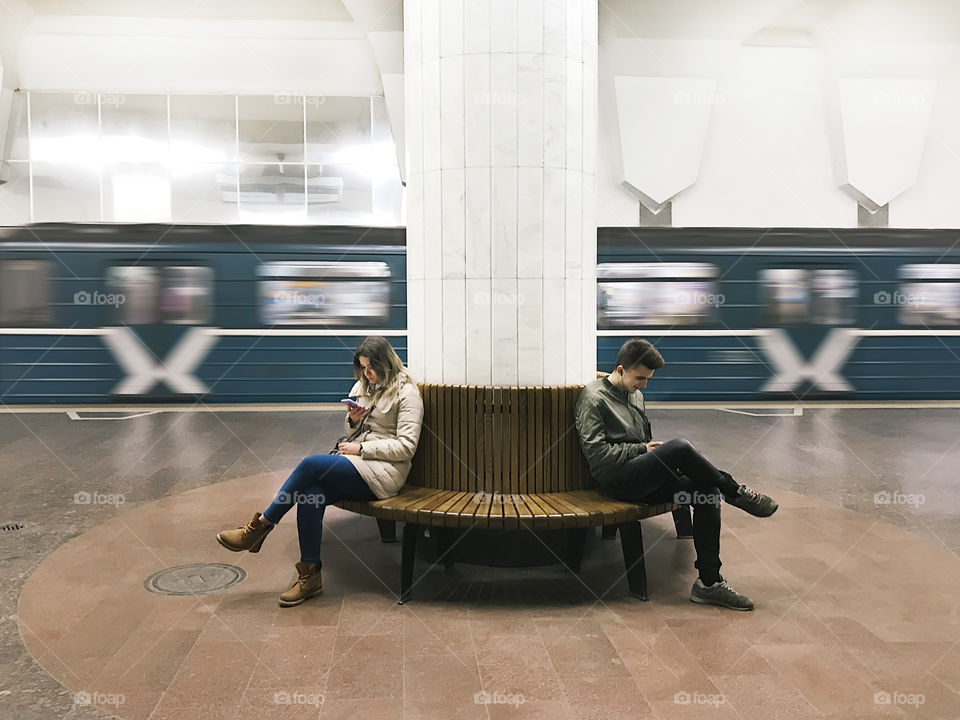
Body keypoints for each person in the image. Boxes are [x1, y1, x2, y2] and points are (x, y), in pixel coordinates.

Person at [217, 336, 424, 607]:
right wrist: (353, 420)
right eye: (362, 368)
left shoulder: (407, 394)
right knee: (310, 495)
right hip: (360, 464)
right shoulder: (365, 386)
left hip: (384, 473)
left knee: (311, 465)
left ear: (386, 363)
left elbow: (407, 447)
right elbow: (354, 431)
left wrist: (361, 450)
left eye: (371, 368)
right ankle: (310, 576)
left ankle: (259, 528)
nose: (366, 374)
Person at [575, 338, 778, 611]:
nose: (644, 385)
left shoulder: (635, 395)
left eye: (648, 379)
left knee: (707, 491)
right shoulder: (593, 398)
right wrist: (642, 449)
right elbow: (597, 457)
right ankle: (736, 491)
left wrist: (653, 456)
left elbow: (645, 448)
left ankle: (709, 583)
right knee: (680, 447)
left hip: (643, 477)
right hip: (617, 482)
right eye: (640, 378)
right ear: (621, 369)